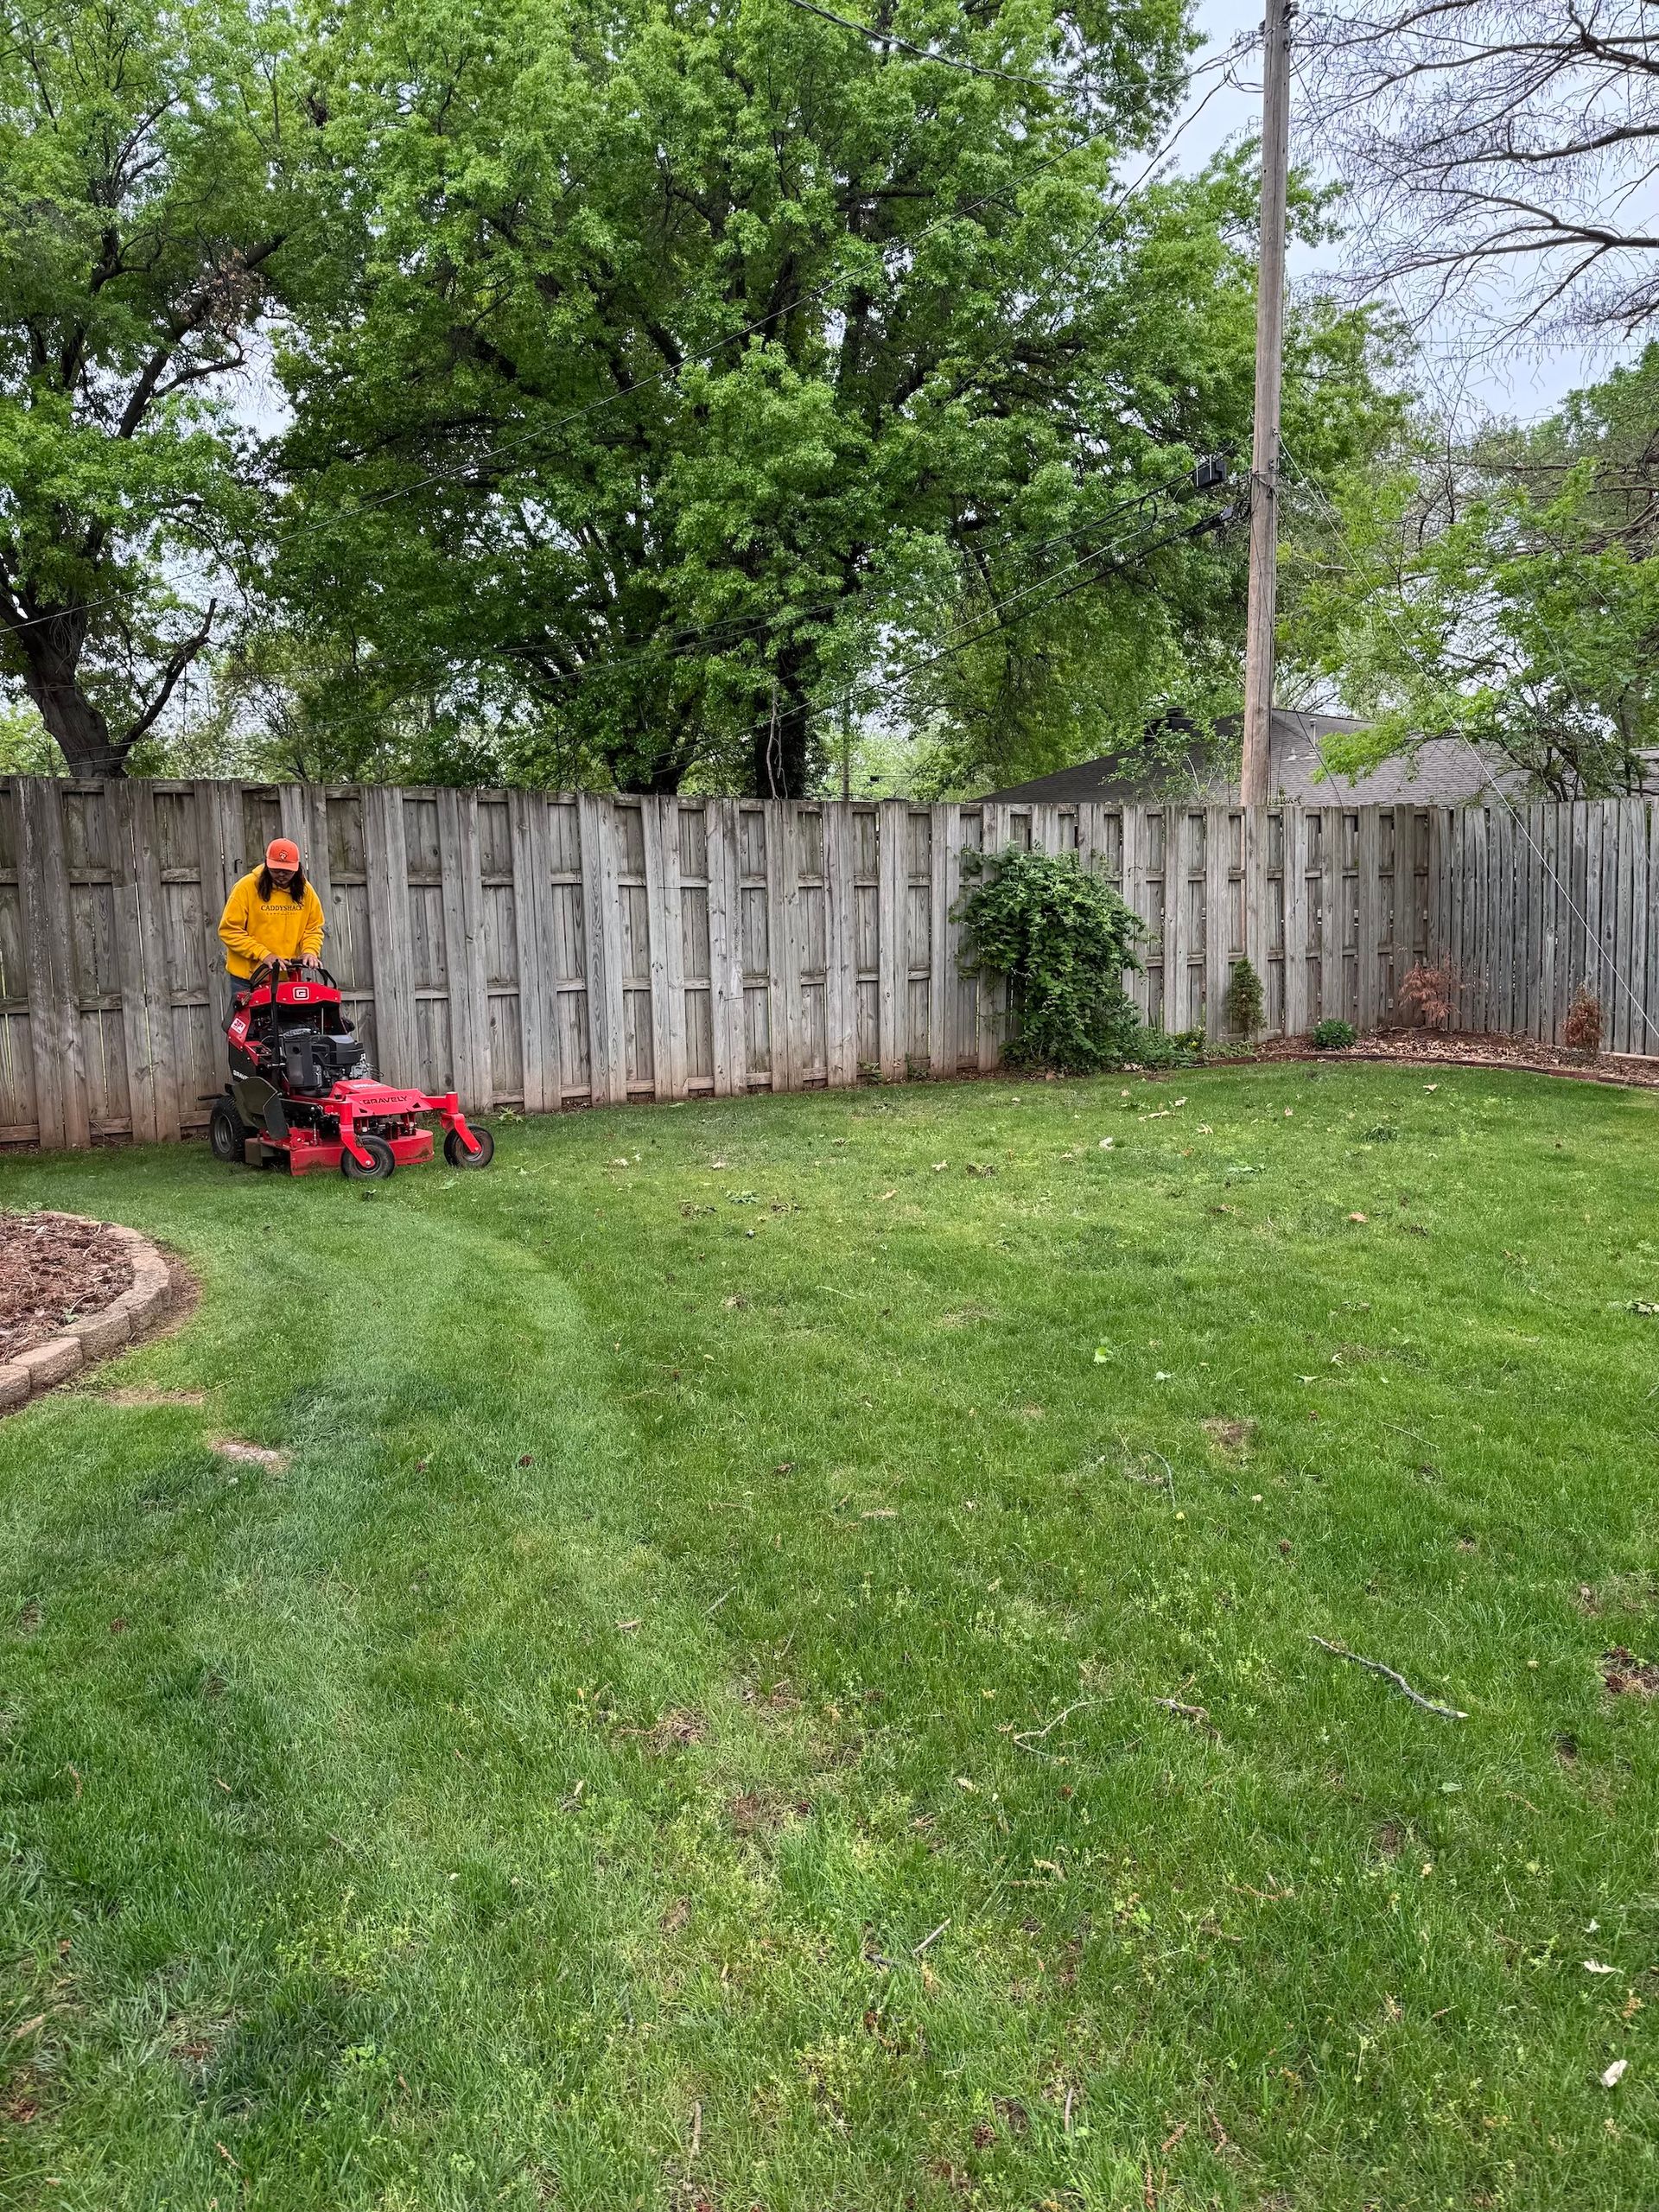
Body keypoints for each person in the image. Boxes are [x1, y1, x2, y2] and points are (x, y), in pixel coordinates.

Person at [218, 839, 327, 1021]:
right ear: (266, 864)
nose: (281, 875)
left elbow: (313, 928)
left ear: (297, 867)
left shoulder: (306, 891)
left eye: (287, 871)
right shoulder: (246, 887)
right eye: (276, 869)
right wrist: (264, 954)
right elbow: (230, 930)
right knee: (247, 1035)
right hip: (249, 978)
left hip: (287, 977)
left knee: (288, 1035)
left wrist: (310, 951)